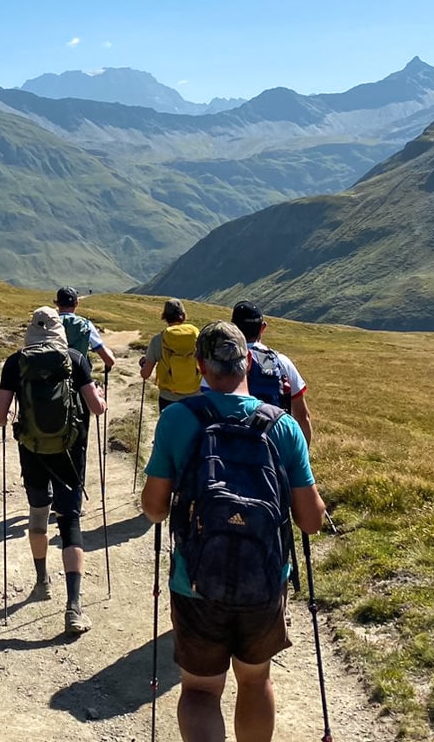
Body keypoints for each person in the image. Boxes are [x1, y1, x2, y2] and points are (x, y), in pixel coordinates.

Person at [141, 321, 325, 742]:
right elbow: (310, 522)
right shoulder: (282, 426)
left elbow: (153, 510)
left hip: (196, 582)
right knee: (256, 681)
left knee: (201, 690)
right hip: (263, 581)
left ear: (201, 366)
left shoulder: (177, 419)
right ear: (247, 362)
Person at [0, 306, 107, 635]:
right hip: (71, 451)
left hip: (33, 452)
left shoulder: (16, 362)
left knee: (38, 513)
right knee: (69, 520)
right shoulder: (75, 359)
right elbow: (97, 409)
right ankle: (74, 607)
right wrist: (100, 397)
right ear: (59, 330)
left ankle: (42, 581)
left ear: (31, 330)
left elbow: (0, 417)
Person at [231, 300, 313, 446]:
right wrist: (302, 457)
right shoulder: (280, 362)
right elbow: (302, 416)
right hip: (274, 444)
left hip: (233, 445)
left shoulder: (222, 363)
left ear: (232, 328)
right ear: (263, 327)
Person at [139, 297, 202, 411]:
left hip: (168, 398)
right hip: (195, 396)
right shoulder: (197, 337)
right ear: (183, 316)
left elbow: (145, 374)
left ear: (164, 317)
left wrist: (143, 365)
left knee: (170, 428)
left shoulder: (158, 341)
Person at [54, 286, 117, 372]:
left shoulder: (48, 324)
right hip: (79, 379)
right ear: (76, 303)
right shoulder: (86, 325)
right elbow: (109, 361)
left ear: (57, 303)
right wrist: (110, 353)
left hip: (50, 379)